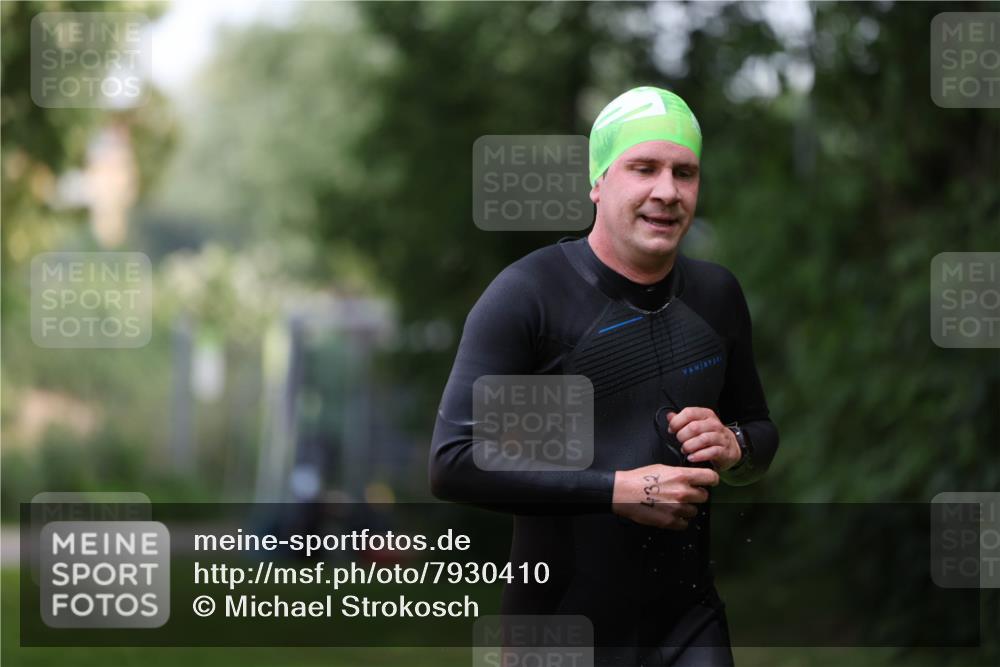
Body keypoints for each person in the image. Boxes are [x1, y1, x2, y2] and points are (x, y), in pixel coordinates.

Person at [430, 86, 779, 666]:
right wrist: (618, 490)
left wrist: (735, 445)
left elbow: (760, 432)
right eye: (643, 168)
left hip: (688, 628)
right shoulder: (532, 295)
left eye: (684, 172)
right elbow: (454, 462)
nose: (666, 191)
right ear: (598, 182)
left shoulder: (717, 296)